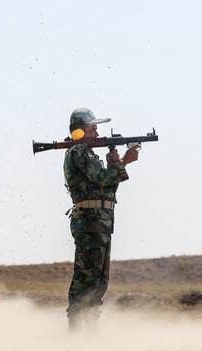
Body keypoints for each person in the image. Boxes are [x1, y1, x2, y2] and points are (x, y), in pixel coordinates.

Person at [63, 108, 139, 330]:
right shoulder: (79, 151)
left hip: (100, 222)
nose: (96, 133)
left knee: (98, 282)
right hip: (90, 222)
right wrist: (124, 161)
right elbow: (102, 178)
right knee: (86, 282)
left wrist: (117, 164)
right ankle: (77, 335)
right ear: (78, 132)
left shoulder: (87, 153)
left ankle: (89, 334)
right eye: (92, 129)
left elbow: (106, 188)